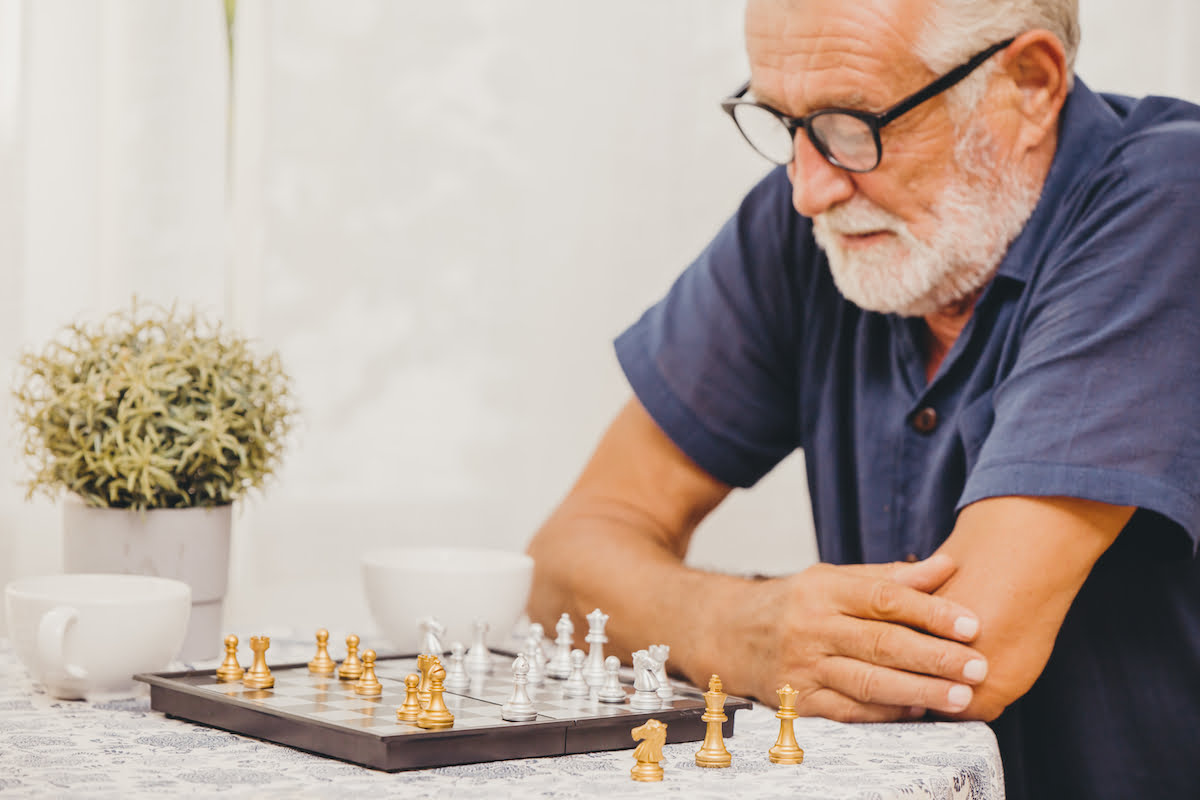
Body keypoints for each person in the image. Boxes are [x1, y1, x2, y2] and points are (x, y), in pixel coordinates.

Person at [525, 1, 1200, 798]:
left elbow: (969, 658)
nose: (809, 189)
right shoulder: (816, 221)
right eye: (782, 122)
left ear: (1029, 84)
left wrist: (682, 615)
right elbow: (561, 566)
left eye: (853, 125)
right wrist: (740, 628)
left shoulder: (1172, 197)